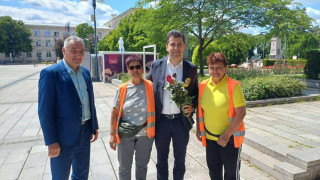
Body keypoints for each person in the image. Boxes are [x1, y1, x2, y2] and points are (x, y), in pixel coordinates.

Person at [38, 36, 99, 180]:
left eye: (81, 51)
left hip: (85, 133)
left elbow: (89, 101)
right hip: (62, 136)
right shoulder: (50, 74)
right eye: (74, 51)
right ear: (64, 51)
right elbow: (44, 111)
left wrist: (93, 126)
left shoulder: (85, 72)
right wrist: (51, 141)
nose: (78, 55)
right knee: (60, 176)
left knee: (81, 174)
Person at [146, 30, 198, 180]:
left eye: (179, 44)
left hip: (181, 122)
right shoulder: (156, 65)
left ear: (184, 46)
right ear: (166, 46)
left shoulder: (191, 68)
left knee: (180, 161)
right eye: (172, 44)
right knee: (161, 161)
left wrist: (192, 106)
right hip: (160, 122)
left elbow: (196, 92)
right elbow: (146, 86)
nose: (176, 48)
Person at [196, 52, 246, 180]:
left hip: (229, 140)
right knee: (214, 173)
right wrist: (198, 129)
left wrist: (226, 135)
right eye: (212, 68)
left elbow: (241, 113)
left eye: (218, 67)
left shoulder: (233, 86)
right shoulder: (203, 85)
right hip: (210, 139)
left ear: (225, 68)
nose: (215, 71)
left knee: (231, 175)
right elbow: (200, 109)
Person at [109, 55, 156, 180]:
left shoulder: (150, 86)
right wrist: (112, 134)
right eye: (132, 67)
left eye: (138, 66)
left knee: (142, 166)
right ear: (128, 69)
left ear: (142, 68)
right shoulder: (122, 88)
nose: (135, 70)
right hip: (125, 135)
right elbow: (114, 113)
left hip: (146, 135)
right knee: (124, 167)